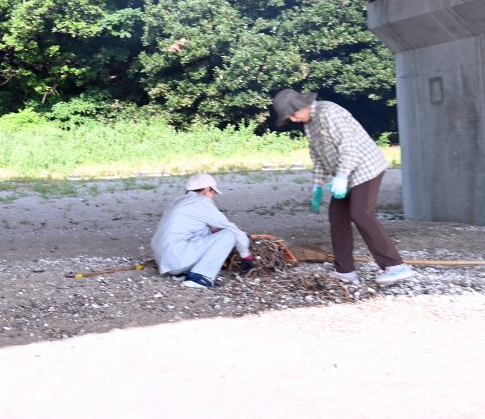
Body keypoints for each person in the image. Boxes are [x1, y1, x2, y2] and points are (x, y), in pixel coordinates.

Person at [271, 88, 414, 286]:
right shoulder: (309, 124)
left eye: (292, 115)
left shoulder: (330, 113)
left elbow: (349, 147)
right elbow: (318, 157)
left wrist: (341, 176)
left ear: (301, 106)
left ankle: (395, 266)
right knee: (337, 217)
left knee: (360, 213)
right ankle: (345, 271)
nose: (293, 120)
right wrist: (317, 186)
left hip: (365, 168)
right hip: (344, 174)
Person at [151, 173, 255, 289]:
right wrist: (246, 255)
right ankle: (200, 278)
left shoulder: (178, 202)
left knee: (206, 229)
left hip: (165, 261)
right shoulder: (201, 202)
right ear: (206, 190)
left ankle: (183, 273)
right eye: (213, 192)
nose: (213, 196)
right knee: (229, 235)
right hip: (176, 259)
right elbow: (231, 229)